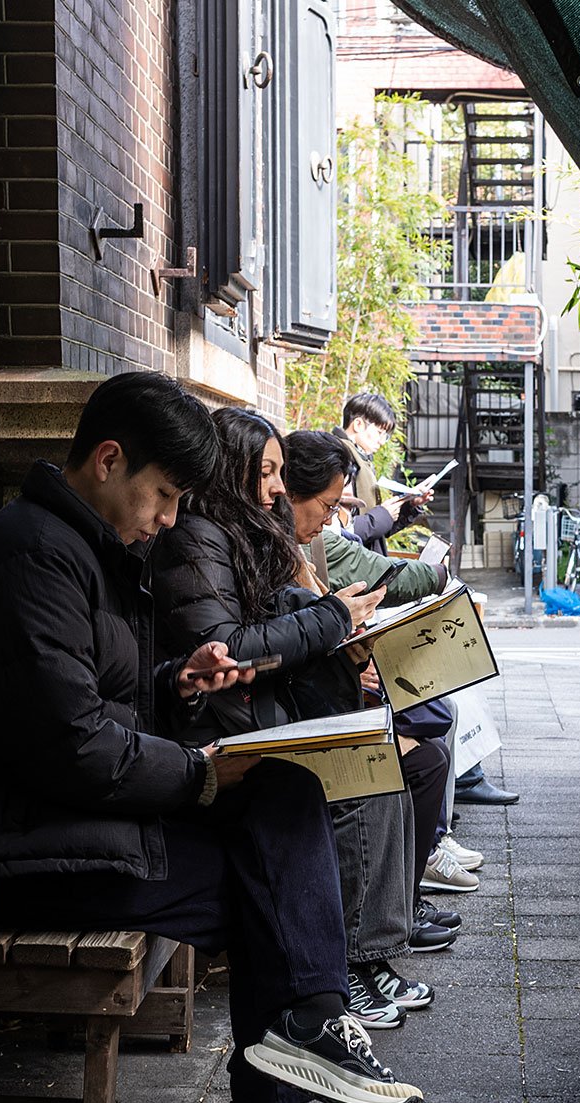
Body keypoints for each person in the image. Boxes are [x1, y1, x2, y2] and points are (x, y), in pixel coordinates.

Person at [0, 372, 422, 1103]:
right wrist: (201, 771)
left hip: (27, 812)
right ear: (107, 459)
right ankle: (271, 1098)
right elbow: (76, 749)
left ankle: (307, 1024)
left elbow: (89, 708)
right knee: (262, 879)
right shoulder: (30, 559)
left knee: (285, 791)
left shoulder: (86, 551)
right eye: (164, 495)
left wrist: (174, 683)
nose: (168, 519)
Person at [149, 408, 447, 1028]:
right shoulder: (199, 537)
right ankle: (343, 976)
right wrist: (333, 619)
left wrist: (339, 635)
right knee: (360, 780)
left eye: (280, 474)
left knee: (386, 763)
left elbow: (259, 631)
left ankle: (364, 963)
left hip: (252, 717)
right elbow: (228, 647)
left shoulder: (241, 534)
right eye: (266, 474)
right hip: (224, 737)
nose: (278, 489)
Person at [278, 430, 480, 926]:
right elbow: (269, 645)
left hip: (325, 693)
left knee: (432, 731)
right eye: (329, 505)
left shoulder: (299, 542)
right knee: (417, 751)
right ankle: (380, 928)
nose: (333, 518)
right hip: (303, 714)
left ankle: (400, 905)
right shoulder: (271, 548)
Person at [339, 390, 432, 556]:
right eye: (379, 433)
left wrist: (410, 505)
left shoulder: (362, 458)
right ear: (358, 424)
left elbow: (376, 531)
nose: (382, 441)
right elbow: (340, 531)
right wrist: (383, 514)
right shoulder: (339, 457)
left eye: (386, 436)